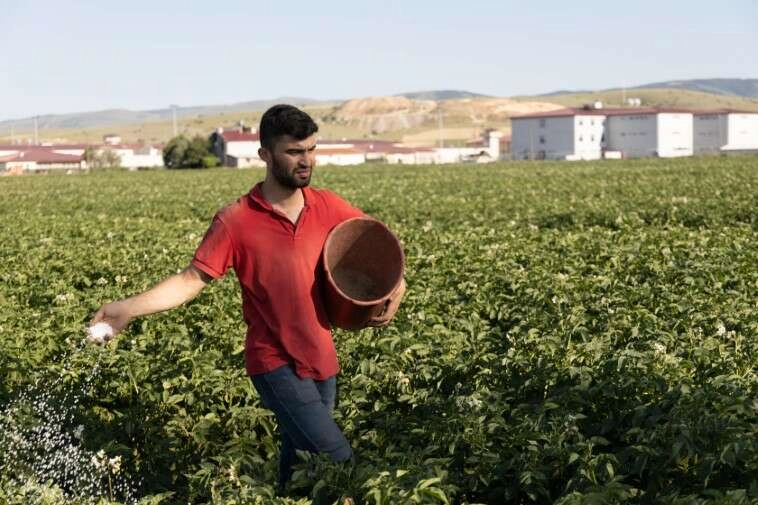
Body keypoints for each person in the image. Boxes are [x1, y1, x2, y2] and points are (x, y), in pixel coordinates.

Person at [90, 104, 406, 487]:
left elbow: (378, 243)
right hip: (274, 363)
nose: (306, 160)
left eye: (310, 150)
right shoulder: (237, 220)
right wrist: (129, 308)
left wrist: (396, 287)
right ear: (265, 155)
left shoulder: (328, 206)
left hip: (322, 361)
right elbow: (191, 280)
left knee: (302, 475)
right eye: (294, 152)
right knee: (337, 462)